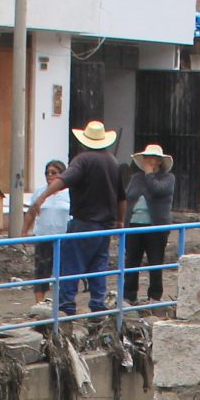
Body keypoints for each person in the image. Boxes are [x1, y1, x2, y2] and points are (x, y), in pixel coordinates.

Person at [58, 119, 125, 316]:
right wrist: (120, 221)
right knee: (98, 265)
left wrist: (43, 196)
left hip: (84, 222)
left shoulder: (82, 160)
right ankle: (97, 304)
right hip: (105, 224)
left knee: (71, 264)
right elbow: (122, 197)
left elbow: (63, 180)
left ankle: (67, 305)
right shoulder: (113, 162)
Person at [121, 144, 177, 304]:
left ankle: (154, 296)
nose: (149, 160)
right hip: (134, 225)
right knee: (131, 261)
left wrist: (149, 174)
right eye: (147, 158)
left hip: (156, 227)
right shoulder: (135, 178)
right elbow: (128, 197)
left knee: (155, 261)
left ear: (159, 161)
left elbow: (157, 190)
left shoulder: (168, 178)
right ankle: (129, 295)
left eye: (153, 158)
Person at [25, 159, 69, 300]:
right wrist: (23, 233)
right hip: (43, 237)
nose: (50, 175)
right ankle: (39, 303)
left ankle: (62, 303)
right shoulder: (40, 192)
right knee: (41, 272)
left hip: (64, 239)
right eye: (47, 173)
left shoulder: (69, 193)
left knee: (64, 272)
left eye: (54, 173)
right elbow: (31, 213)